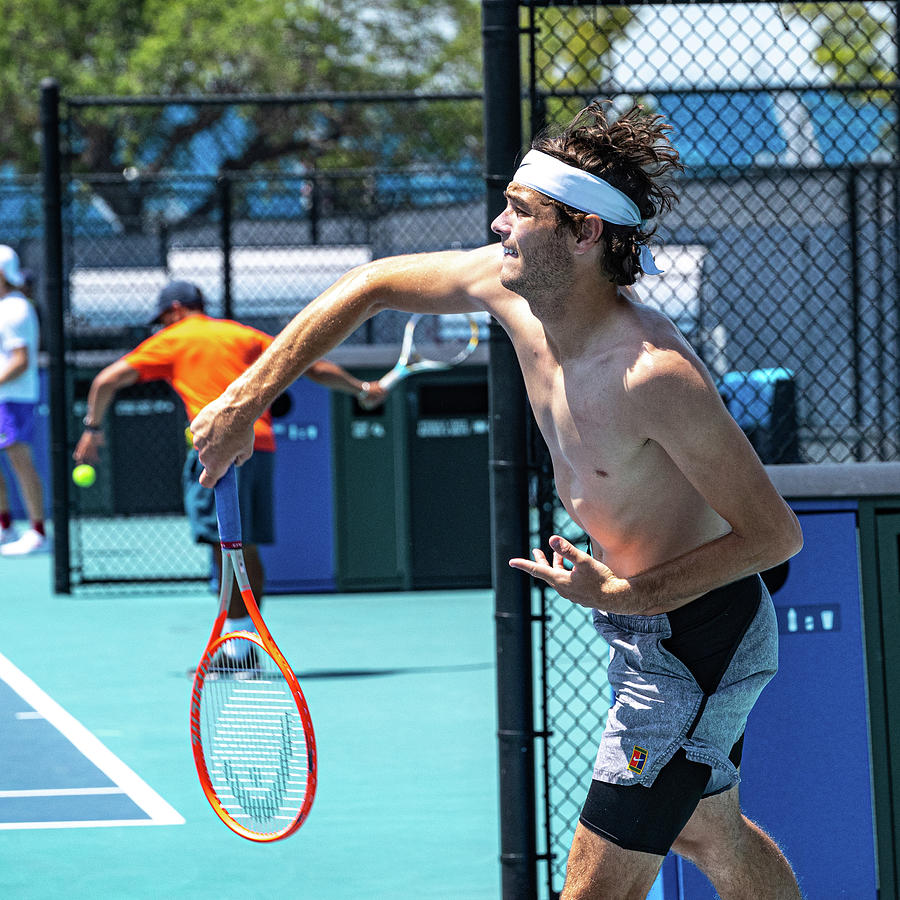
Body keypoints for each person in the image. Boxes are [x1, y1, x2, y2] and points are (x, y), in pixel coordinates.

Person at [188, 102, 804, 898]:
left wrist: (625, 592)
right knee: (707, 829)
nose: (496, 222)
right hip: (650, 628)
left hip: (698, 641)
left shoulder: (654, 374)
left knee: (593, 889)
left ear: (584, 234)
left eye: (520, 210)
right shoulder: (510, 290)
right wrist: (245, 400)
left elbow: (775, 535)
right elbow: (370, 285)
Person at [73, 280, 386, 661]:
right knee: (243, 545)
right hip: (259, 446)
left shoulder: (174, 338)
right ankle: (246, 642)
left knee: (228, 550)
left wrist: (92, 428)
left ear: (175, 309)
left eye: (163, 319)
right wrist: (361, 388)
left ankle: (240, 647)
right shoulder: (240, 334)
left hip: (218, 451)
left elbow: (106, 379)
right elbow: (313, 365)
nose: (161, 327)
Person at [0, 246, 48, 556]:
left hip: (13, 397)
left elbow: (20, 360)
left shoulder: (16, 309)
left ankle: (38, 532)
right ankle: (5, 527)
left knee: (20, 461)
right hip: (4, 396)